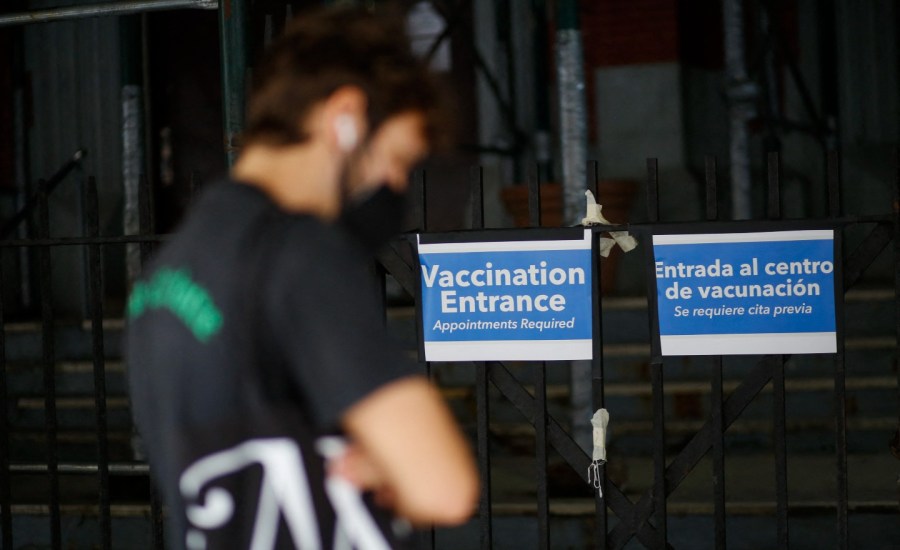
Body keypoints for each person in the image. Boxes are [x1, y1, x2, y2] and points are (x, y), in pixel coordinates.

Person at [125, 7, 478, 549]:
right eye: (397, 158)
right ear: (346, 115)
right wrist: (391, 465)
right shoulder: (299, 252)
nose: (396, 184)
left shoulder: (167, 272)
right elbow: (444, 489)